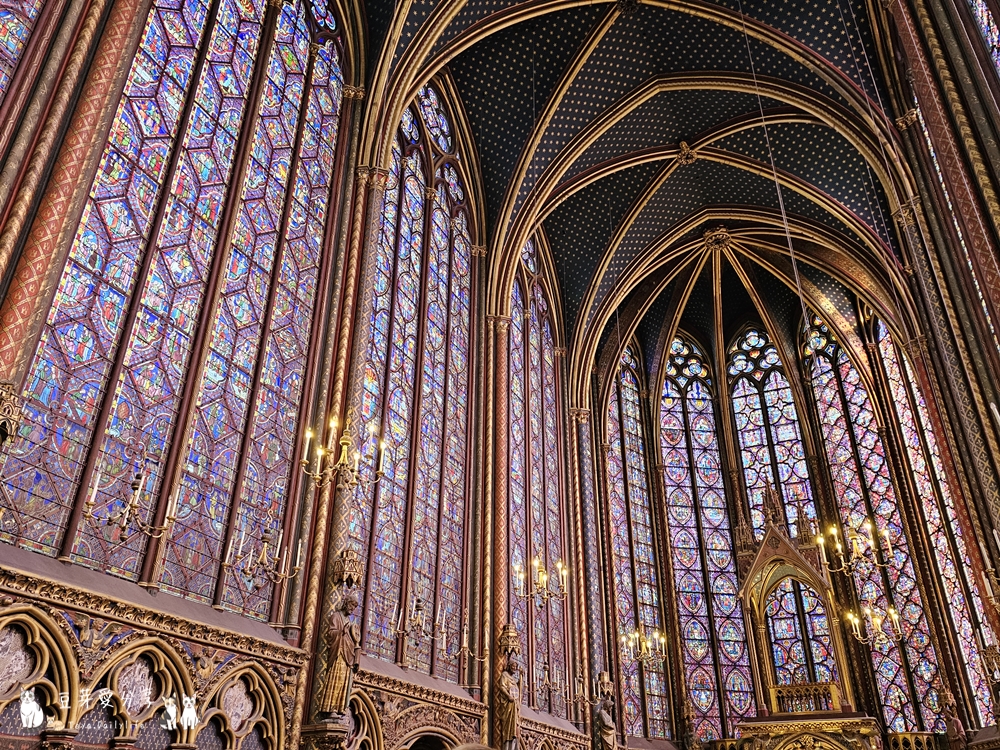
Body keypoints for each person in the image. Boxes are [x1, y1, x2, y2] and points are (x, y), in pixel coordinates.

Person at [317, 593, 362, 719]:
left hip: (348, 655)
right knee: (335, 678)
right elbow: (330, 633)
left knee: (344, 682)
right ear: (346, 602)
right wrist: (342, 631)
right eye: (351, 605)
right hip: (338, 653)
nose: (352, 608)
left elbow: (354, 638)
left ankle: (340, 708)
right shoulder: (336, 617)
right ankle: (331, 708)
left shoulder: (350, 621)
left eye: (355, 606)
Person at [495, 659, 521, 750]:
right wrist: (508, 696)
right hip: (508, 705)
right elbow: (502, 687)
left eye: (516, 667)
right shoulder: (504, 675)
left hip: (515, 705)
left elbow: (518, 690)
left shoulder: (513, 679)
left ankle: (513, 745)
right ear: (509, 666)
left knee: (516, 728)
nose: (514, 668)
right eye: (513, 666)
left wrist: (521, 677)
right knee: (509, 727)